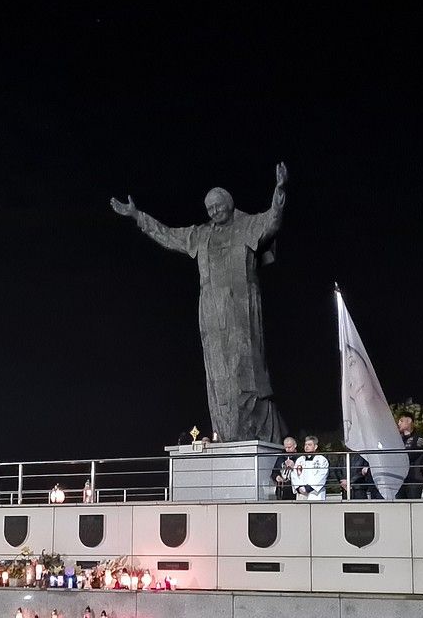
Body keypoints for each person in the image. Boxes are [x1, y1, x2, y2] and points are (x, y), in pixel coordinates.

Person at [111, 164, 290, 442]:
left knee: (247, 373)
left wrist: (279, 190)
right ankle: (226, 435)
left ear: (229, 203)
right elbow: (168, 235)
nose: (214, 211)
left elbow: (273, 221)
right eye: (209, 208)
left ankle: (257, 432)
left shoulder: (248, 225)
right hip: (210, 312)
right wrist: (138, 216)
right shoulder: (200, 234)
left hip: (242, 309)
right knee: (219, 379)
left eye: (218, 205)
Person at [394, 413, 423, 499]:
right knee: (399, 505)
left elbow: (412, 454)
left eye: (401, 421)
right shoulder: (398, 438)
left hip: (414, 478)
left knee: (413, 505)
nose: (399, 423)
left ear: (409, 420)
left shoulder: (419, 435)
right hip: (400, 479)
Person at [292, 436, 330, 502]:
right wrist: (298, 487)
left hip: (315, 493)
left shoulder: (321, 460)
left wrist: (308, 488)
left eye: (309, 445)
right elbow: (294, 474)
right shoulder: (300, 459)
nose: (306, 447)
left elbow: (322, 475)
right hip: (301, 493)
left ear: (315, 447)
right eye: (305, 445)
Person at [270, 435, 298, 500]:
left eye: (289, 447)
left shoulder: (300, 458)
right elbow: (274, 472)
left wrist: (294, 467)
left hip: (294, 489)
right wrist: (277, 477)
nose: (287, 449)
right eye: (286, 447)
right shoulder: (281, 457)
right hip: (282, 489)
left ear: (295, 445)